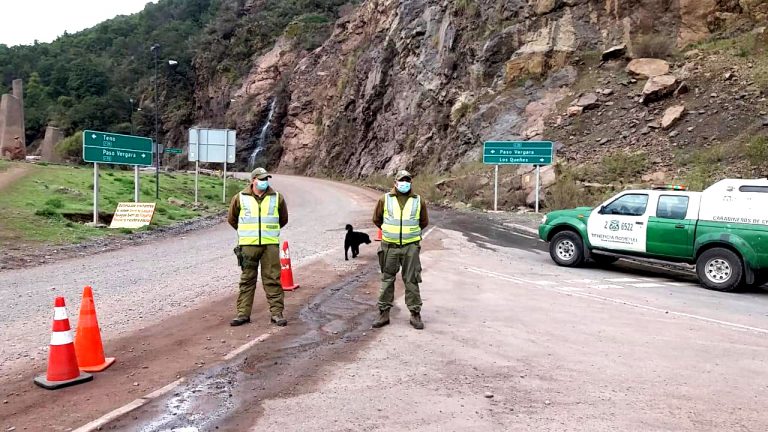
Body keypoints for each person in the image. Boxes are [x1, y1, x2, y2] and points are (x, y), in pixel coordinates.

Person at [227, 167, 289, 327]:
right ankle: (243, 314)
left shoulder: (277, 198)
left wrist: (267, 232)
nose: (264, 182)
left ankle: (277, 314)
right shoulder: (240, 198)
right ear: (253, 180)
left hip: (270, 245)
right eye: (261, 179)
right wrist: (247, 232)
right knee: (247, 280)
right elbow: (232, 219)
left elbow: (283, 219)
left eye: (266, 179)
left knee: (273, 279)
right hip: (248, 246)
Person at [371, 169, 429, 330]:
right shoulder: (385, 199)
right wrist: (391, 233)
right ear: (395, 182)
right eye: (401, 180)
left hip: (410, 247)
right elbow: (377, 219)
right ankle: (383, 314)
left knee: (412, 280)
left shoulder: (418, 200)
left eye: (407, 180)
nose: (405, 183)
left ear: (411, 182)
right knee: (387, 279)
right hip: (389, 247)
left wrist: (410, 235)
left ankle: (415, 314)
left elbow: (423, 222)